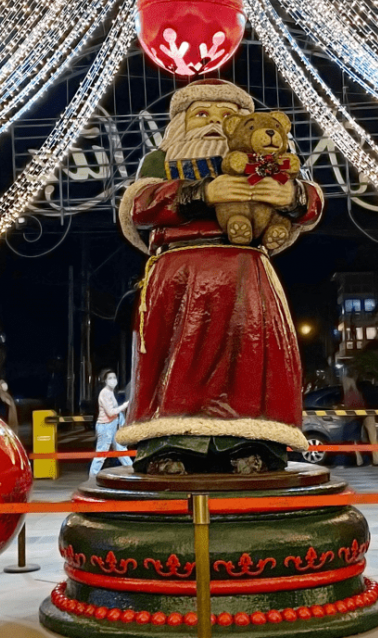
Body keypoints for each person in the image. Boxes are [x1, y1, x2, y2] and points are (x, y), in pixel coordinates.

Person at [115, 79, 324, 474]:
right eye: (202, 114)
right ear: (181, 122)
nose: (214, 122)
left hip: (246, 272)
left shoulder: (266, 159)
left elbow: (310, 201)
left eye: (226, 115)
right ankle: (166, 444)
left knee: (248, 361)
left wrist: (291, 197)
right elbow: (139, 206)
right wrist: (202, 194)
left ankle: (251, 441)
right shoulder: (161, 161)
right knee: (175, 365)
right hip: (179, 274)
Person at [90, 370, 132, 477]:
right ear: (104, 381)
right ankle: (92, 478)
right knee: (101, 454)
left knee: (121, 449)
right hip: (105, 427)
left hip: (113, 425)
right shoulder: (104, 393)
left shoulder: (110, 392)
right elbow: (110, 412)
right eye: (110, 378)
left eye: (114, 378)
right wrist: (125, 405)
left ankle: (132, 471)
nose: (113, 380)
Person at [342, 375, 378, 466]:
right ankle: (376, 460)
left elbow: (348, 405)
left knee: (355, 438)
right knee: (373, 437)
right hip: (369, 413)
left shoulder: (350, 392)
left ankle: (359, 460)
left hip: (356, 416)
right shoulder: (370, 389)